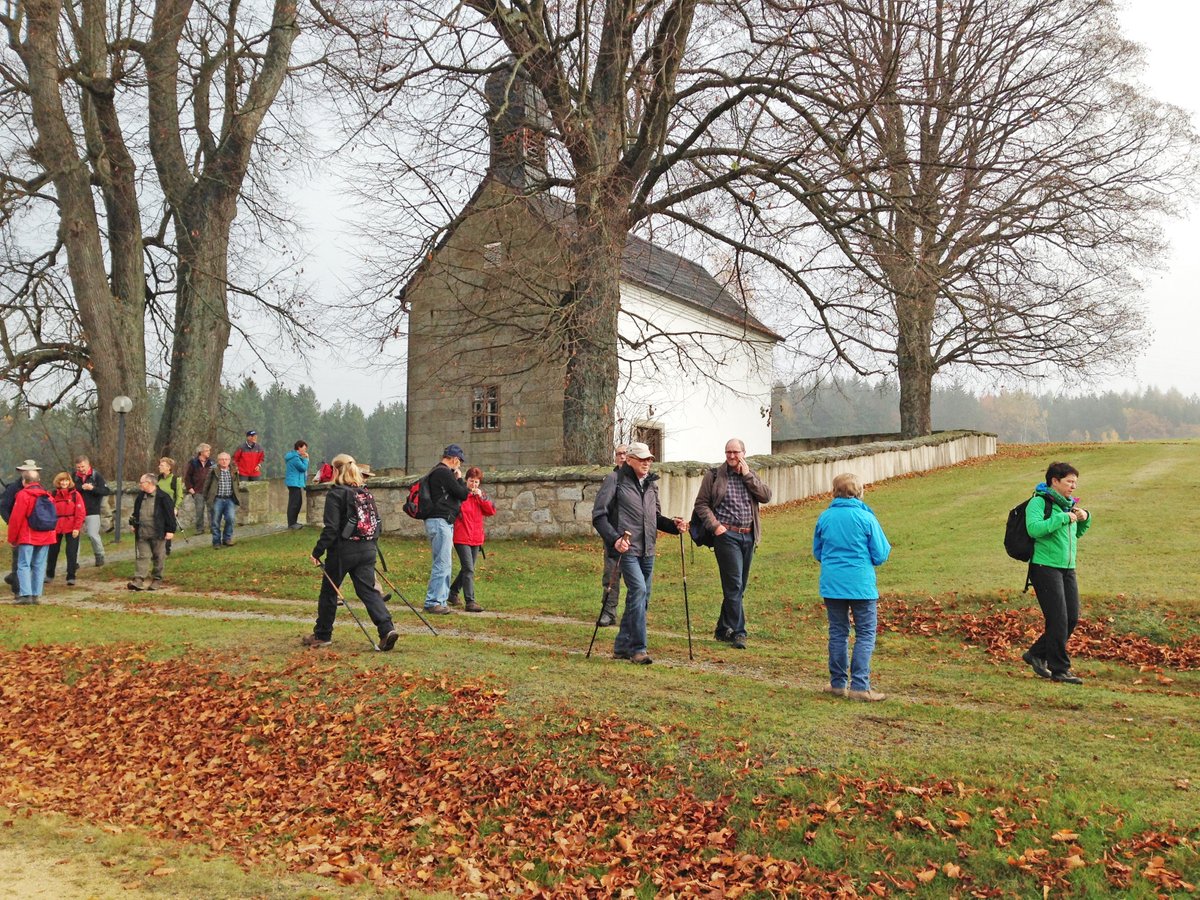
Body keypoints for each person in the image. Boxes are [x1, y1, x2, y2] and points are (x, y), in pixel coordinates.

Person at [591, 442, 686, 665]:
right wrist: (615, 540)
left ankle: (622, 646)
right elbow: (599, 515)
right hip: (626, 549)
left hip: (648, 549)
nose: (647, 463)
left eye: (650, 459)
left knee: (641, 598)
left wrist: (674, 525)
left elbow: (655, 517)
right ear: (630, 459)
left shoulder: (652, 484)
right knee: (639, 590)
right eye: (642, 459)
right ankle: (638, 649)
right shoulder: (615, 480)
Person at [303, 455, 398, 651]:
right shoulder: (365, 493)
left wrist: (317, 552)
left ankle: (322, 635)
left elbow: (331, 529)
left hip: (343, 551)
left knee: (329, 592)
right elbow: (376, 522)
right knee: (368, 591)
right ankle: (386, 629)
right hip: (368, 548)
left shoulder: (336, 494)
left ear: (336, 471)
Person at [813, 473, 891, 701]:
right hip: (861, 584)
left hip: (832, 584)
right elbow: (881, 553)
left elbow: (817, 552)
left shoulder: (825, 517)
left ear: (834, 491)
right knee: (865, 633)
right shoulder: (866, 518)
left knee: (838, 632)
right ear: (859, 492)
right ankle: (860, 686)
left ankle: (838, 683)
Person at [691, 438, 772, 649]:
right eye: (728, 452)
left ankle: (721, 628)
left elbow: (765, 496)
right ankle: (738, 632)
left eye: (736, 452)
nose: (732, 456)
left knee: (738, 587)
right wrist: (716, 526)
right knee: (734, 584)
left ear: (744, 453)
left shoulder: (750, 474)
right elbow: (701, 504)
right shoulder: (715, 475)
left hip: (749, 536)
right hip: (727, 537)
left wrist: (747, 476)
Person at [1021, 462, 1093, 685]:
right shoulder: (1038, 502)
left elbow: (1075, 534)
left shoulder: (1067, 505)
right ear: (1054, 481)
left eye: (1075, 483)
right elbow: (1034, 529)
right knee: (1058, 619)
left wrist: (1084, 517)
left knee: (1071, 618)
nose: (1073, 486)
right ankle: (1060, 669)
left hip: (1067, 568)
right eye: (1069, 481)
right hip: (1044, 567)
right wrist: (1063, 518)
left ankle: (1036, 654)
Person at [423, 445, 471, 615]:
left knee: (444, 562)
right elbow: (462, 493)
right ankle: (433, 601)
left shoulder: (436, 472)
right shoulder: (443, 472)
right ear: (455, 459)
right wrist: (459, 478)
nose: (459, 467)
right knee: (442, 563)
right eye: (460, 463)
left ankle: (440, 600)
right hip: (440, 521)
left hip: (438, 521)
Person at [7, 460, 57, 605]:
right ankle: (36, 595)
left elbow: (16, 519)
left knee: (23, 564)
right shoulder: (48, 495)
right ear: (38, 480)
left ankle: (25, 595)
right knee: (39, 565)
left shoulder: (23, 495)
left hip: (28, 535)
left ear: (24, 481)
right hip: (46, 535)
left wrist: (12, 538)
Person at [448, 466, 496, 613]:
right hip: (461, 537)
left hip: (476, 538)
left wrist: (481, 497)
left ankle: (453, 592)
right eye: (471, 481)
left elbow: (490, 511)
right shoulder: (461, 496)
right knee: (469, 568)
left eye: (476, 482)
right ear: (466, 481)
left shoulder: (480, 497)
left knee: (468, 569)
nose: (474, 485)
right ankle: (470, 602)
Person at [596, 444, 629, 627]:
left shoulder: (640, 480)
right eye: (619, 454)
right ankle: (608, 612)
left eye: (625, 453)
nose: (622, 457)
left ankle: (633, 615)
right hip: (614, 535)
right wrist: (611, 535)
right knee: (611, 576)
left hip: (635, 538)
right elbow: (601, 511)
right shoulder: (612, 479)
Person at [127, 473, 178, 591]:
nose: (140, 484)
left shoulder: (163, 497)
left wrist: (170, 530)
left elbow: (170, 515)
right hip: (142, 532)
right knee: (143, 556)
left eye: (142, 482)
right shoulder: (140, 497)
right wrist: (134, 524)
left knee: (158, 557)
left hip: (158, 533)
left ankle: (157, 579)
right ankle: (138, 580)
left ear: (149, 483)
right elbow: (136, 512)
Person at [45, 471, 85, 586]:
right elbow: (47, 511)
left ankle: (71, 576)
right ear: (58, 481)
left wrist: (77, 527)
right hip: (56, 525)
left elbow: (80, 512)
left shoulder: (75, 495)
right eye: (62, 480)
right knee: (53, 551)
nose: (64, 483)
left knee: (71, 552)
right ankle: (50, 574)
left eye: (66, 480)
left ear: (69, 482)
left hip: (71, 525)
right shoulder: (52, 495)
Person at [72, 455, 110, 567]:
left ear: (88, 465)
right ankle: (74, 561)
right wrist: (81, 488)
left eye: (82, 467)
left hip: (92, 510)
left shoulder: (96, 475)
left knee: (93, 534)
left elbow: (106, 491)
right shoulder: (73, 476)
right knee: (75, 535)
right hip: (77, 510)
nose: (81, 469)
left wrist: (92, 488)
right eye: (78, 467)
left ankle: (99, 555)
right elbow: (70, 489)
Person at [203, 452, 240, 547]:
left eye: (226, 459)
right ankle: (216, 542)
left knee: (230, 519)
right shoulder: (213, 470)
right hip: (217, 499)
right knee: (215, 521)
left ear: (229, 460)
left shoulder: (233, 470)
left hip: (229, 499)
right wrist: (206, 497)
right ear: (218, 461)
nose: (224, 461)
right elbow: (206, 485)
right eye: (222, 459)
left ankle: (227, 539)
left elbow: (237, 484)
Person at [1, 469, 24, 596]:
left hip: (33, 530)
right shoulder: (13, 488)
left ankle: (13, 578)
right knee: (19, 559)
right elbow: (3, 507)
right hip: (17, 529)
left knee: (29, 561)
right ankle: (17, 590)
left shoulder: (37, 487)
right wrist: (12, 523)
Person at [156, 457, 185, 555]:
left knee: (167, 527)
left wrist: (176, 508)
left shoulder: (175, 480)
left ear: (169, 467)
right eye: (160, 465)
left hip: (169, 508)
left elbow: (179, 495)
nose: (159, 467)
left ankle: (166, 549)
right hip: (158, 508)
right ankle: (158, 549)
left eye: (162, 465)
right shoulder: (158, 479)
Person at [183, 443, 214, 534]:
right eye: (207, 451)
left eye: (209, 450)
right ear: (201, 452)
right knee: (199, 510)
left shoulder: (212, 462)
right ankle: (200, 529)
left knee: (211, 510)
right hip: (198, 490)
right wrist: (190, 488)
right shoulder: (193, 462)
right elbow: (187, 476)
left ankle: (213, 528)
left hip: (209, 490)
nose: (209, 452)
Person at [284, 440, 310, 529]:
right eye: (304, 448)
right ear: (299, 447)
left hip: (296, 483)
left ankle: (294, 522)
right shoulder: (294, 457)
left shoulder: (296, 457)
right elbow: (303, 468)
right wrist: (306, 459)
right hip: (293, 483)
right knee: (294, 503)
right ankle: (291, 523)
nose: (305, 451)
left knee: (298, 503)